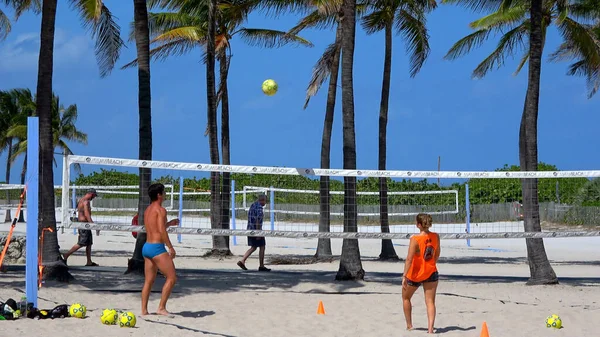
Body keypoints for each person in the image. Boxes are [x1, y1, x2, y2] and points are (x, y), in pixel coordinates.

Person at [141, 183, 180, 316]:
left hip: (146, 247)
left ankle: (144, 310)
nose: (165, 194)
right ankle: (161, 308)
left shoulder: (148, 210)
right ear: (159, 195)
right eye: (163, 192)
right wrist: (170, 247)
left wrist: (170, 223)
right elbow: (162, 231)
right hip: (157, 248)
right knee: (172, 277)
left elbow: (156, 227)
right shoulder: (161, 210)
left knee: (149, 281)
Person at [402, 213, 441, 334]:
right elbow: (437, 253)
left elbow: (409, 259)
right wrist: (431, 264)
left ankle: (409, 325)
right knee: (430, 302)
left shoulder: (415, 239)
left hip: (415, 274)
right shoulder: (436, 236)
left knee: (406, 297)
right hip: (431, 272)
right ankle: (430, 330)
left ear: (418, 225)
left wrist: (404, 275)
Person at [63, 188, 99, 266]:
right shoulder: (86, 202)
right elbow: (86, 214)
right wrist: (93, 225)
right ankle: (67, 254)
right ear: (91, 194)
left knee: (89, 243)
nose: (94, 198)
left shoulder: (81, 200)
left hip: (84, 224)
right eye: (94, 196)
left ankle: (89, 261)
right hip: (84, 225)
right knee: (81, 243)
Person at [237, 194, 271, 272]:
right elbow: (257, 221)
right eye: (265, 201)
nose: (265, 203)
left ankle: (242, 261)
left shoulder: (253, 205)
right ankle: (261, 266)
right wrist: (258, 232)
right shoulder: (259, 208)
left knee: (254, 247)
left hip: (249, 229)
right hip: (256, 230)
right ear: (262, 200)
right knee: (262, 246)